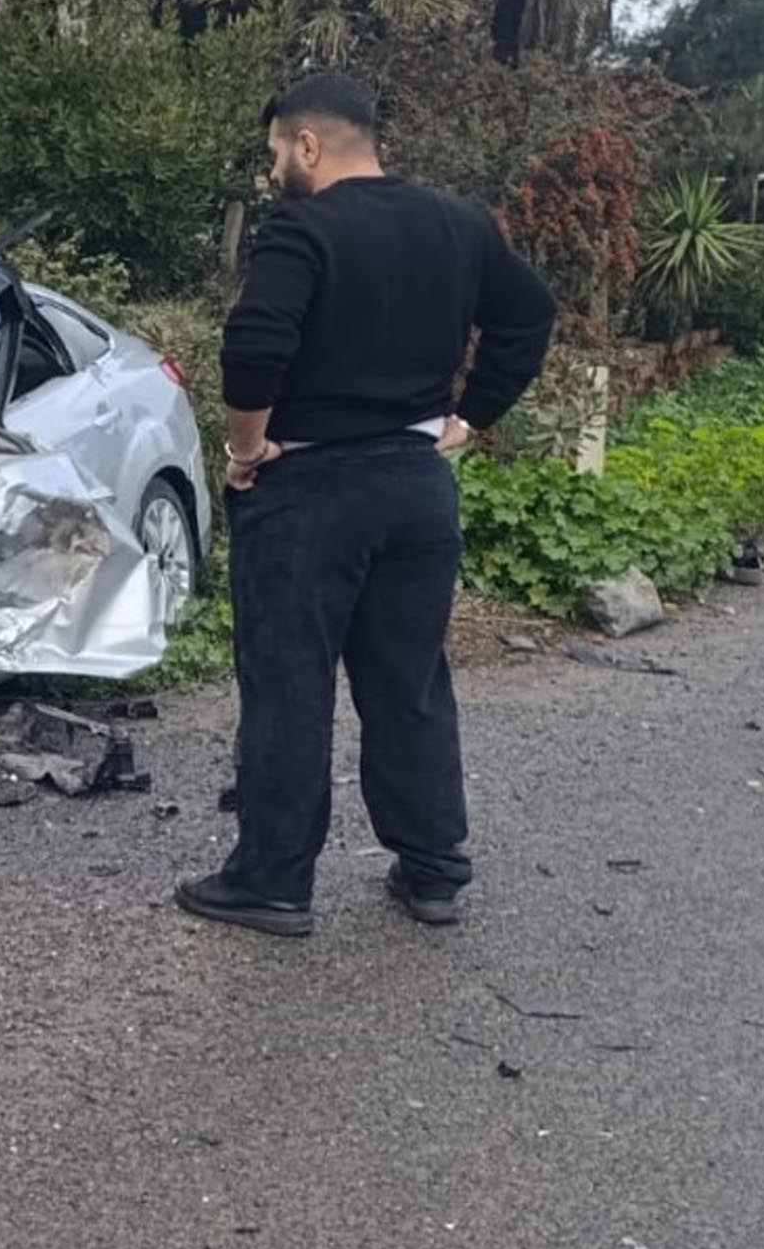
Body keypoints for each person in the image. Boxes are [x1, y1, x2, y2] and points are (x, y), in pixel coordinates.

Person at [178, 71, 557, 940]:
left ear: (308, 144)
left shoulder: (301, 226)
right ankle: (432, 870)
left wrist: (244, 450)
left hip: (309, 489)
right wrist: (470, 417)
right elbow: (529, 314)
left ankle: (271, 882)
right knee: (410, 680)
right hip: (418, 489)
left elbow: (256, 343)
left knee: (289, 683)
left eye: (277, 150)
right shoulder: (458, 222)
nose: (274, 168)